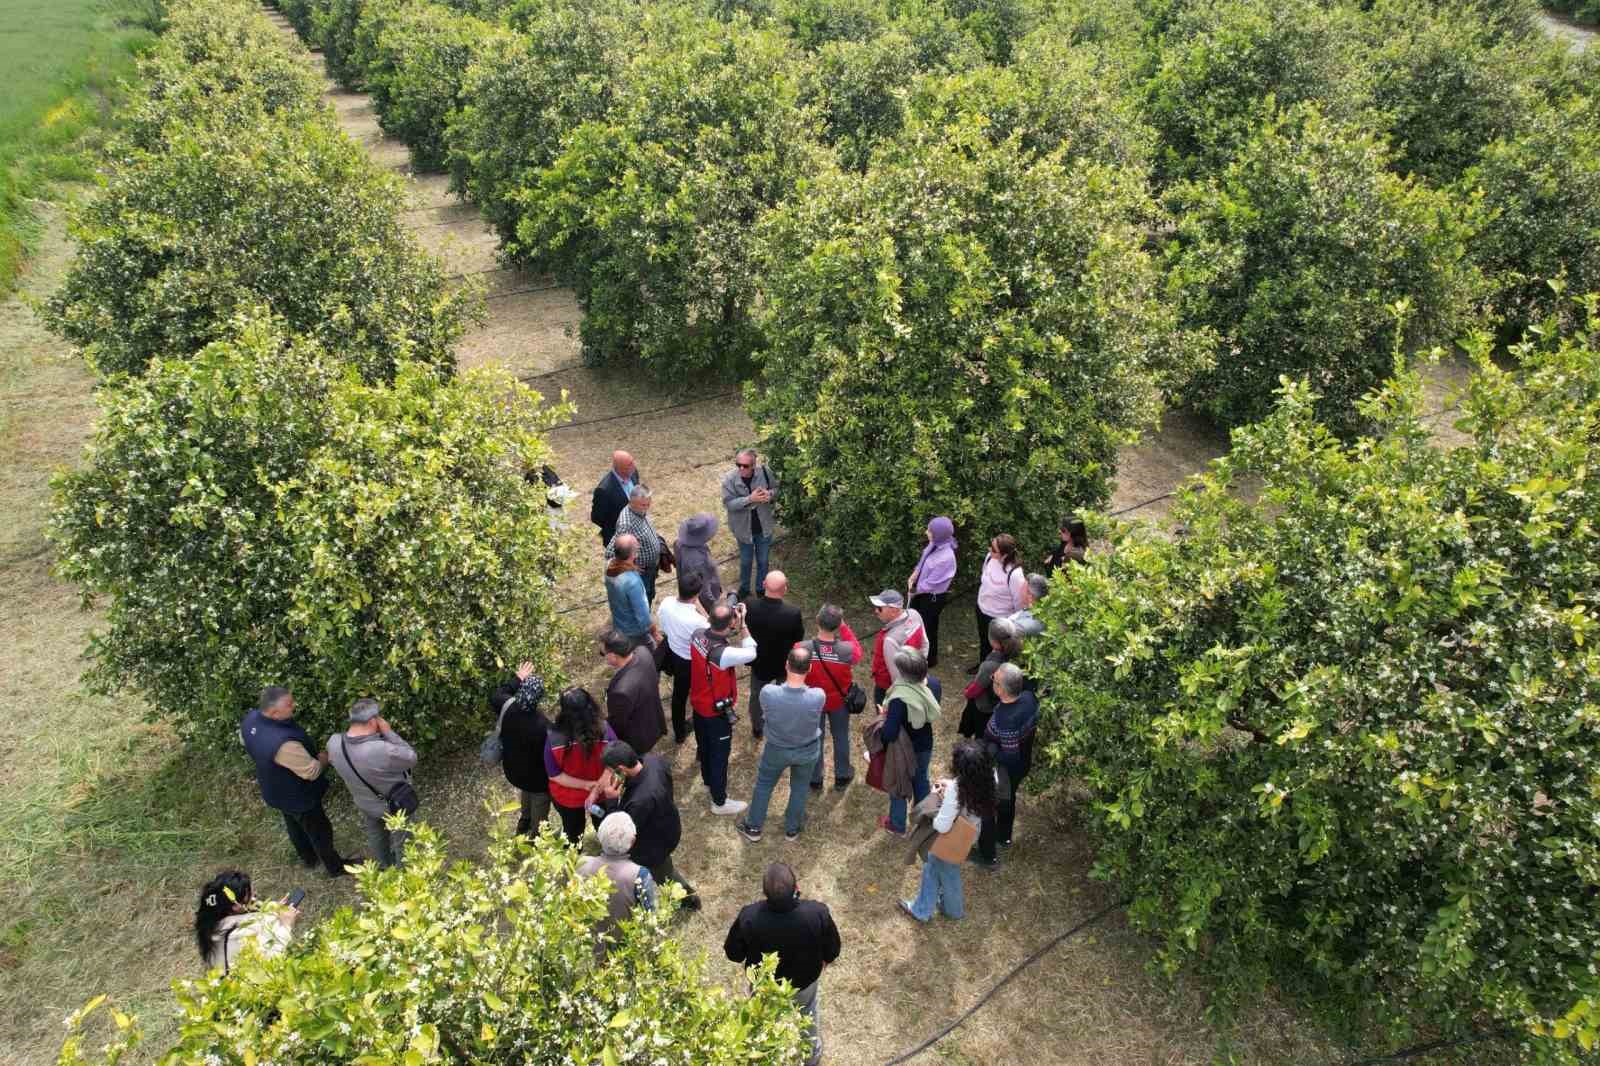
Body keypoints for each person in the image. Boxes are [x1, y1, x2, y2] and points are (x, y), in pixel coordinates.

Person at [724, 863, 840, 1066]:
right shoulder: (817, 913)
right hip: (805, 982)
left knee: (765, 1018)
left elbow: (733, 953)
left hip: (764, 985)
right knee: (808, 1013)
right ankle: (811, 1057)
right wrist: (824, 961)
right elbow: (833, 949)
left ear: (764, 893)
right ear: (796, 888)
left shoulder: (749, 917)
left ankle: (765, 1054)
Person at [240, 686, 360, 878]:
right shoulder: (282, 743)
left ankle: (309, 858)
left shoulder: (250, 720)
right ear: (274, 712)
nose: (294, 705)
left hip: (274, 789)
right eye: (289, 704)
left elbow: (247, 743)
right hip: (298, 795)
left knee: (293, 824)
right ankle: (335, 867)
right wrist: (323, 758)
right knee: (319, 830)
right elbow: (311, 772)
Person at [594, 740, 700, 910]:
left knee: (664, 875)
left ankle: (688, 901)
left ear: (621, 769)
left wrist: (612, 801)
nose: (610, 774)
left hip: (653, 846)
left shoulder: (639, 801)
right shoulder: (653, 761)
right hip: (667, 823)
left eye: (611, 770)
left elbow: (620, 831)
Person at [736, 645, 824, 843]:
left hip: (776, 749)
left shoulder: (768, 692)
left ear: (786, 665)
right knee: (800, 787)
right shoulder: (818, 695)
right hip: (807, 750)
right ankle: (792, 829)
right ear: (809, 669)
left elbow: (765, 712)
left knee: (764, 785)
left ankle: (753, 827)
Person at [899, 740, 995, 922]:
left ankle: (922, 910)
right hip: (970, 834)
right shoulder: (991, 778)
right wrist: (949, 785)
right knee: (948, 869)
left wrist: (939, 796)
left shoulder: (956, 790)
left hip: (950, 837)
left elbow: (942, 826)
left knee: (935, 866)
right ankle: (952, 910)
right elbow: (968, 791)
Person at [327, 697, 417, 869]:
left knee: (377, 835)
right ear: (372, 721)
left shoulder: (334, 742)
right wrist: (388, 732)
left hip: (364, 802)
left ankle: (385, 865)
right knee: (403, 841)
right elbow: (411, 757)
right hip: (394, 806)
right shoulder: (380, 749)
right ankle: (405, 874)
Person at [689, 602, 755, 816]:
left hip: (699, 704)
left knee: (705, 745)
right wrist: (743, 624)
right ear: (731, 624)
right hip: (715, 713)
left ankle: (708, 780)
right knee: (719, 755)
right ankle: (719, 802)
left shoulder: (697, 634)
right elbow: (751, 652)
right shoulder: (722, 654)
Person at [976, 663, 1039, 869]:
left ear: (1001, 689)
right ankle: (1004, 837)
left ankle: (992, 848)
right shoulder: (1029, 698)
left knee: (996, 804)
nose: (992, 680)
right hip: (1025, 760)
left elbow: (1009, 755)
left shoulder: (1006, 718)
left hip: (1007, 769)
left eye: (995, 679)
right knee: (1009, 800)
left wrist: (991, 750)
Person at [878, 647, 942, 836]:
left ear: (904, 673)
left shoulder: (899, 698)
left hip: (903, 749)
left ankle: (897, 825)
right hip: (925, 744)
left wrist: (884, 717)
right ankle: (923, 821)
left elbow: (889, 733)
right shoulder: (934, 684)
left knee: (898, 784)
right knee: (921, 779)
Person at [574, 812, 657, 958]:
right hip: (624, 943)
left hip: (590, 939)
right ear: (632, 841)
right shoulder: (639, 874)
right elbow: (650, 912)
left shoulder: (582, 863)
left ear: (600, 837)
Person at [545, 687, 618, 845]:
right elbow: (615, 759)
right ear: (590, 705)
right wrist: (597, 787)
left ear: (564, 711)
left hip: (568, 798)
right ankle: (609, 848)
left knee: (573, 833)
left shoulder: (554, 738)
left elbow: (555, 775)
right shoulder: (605, 730)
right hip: (602, 793)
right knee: (605, 826)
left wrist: (586, 785)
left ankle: (574, 860)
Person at [489, 662, 552, 837]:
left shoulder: (506, 706)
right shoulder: (543, 726)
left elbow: (498, 694)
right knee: (539, 803)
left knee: (526, 793)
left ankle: (523, 826)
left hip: (513, 771)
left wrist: (518, 678)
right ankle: (536, 837)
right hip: (538, 779)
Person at [803, 603, 861, 792]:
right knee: (841, 736)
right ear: (837, 625)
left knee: (814, 738)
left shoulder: (801, 648)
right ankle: (842, 775)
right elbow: (857, 651)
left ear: (817, 621)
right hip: (839, 702)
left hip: (812, 702)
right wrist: (844, 627)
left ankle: (815, 778)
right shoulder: (847, 650)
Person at [194, 870, 297, 974]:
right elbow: (272, 960)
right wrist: (286, 925)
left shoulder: (212, 920)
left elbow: (252, 912)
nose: (254, 896)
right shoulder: (239, 934)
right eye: (250, 897)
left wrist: (273, 909)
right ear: (235, 906)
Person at [742, 570, 804, 739]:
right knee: (784, 695)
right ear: (785, 589)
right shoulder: (793, 613)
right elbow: (798, 639)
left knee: (756, 696)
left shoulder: (750, 605)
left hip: (759, 662)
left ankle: (757, 727)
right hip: (783, 664)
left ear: (763, 585)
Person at [657, 571, 709, 744]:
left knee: (679, 695)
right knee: (698, 694)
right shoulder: (697, 621)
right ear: (696, 594)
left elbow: (663, 626)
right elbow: (709, 635)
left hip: (673, 652)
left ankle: (679, 732)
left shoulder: (666, 603)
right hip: (690, 661)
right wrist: (700, 608)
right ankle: (696, 722)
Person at [721, 448, 778, 602]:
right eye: (738, 464)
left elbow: (776, 489)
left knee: (763, 561)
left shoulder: (765, 472)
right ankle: (745, 588)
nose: (741, 468)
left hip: (763, 527)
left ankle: (761, 589)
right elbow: (728, 504)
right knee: (746, 561)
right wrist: (749, 499)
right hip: (743, 530)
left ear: (754, 465)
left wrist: (770, 495)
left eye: (745, 466)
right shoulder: (729, 479)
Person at [968, 533, 1029, 674]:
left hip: (999, 617)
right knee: (984, 640)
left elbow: (1019, 602)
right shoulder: (989, 558)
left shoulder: (1015, 573)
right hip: (982, 609)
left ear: (1005, 555)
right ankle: (983, 665)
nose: (990, 550)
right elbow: (984, 576)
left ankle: (997, 673)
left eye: (994, 549)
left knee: (999, 648)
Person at [600, 628, 665, 755]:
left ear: (613, 656)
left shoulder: (621, 692)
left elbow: (618, 723)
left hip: (638, 738)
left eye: (603, 653)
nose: (602, 656)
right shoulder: (643, 652)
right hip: (653, 720)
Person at [957, 617, 1024, 739]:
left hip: (984, 707)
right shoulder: (1015, 654)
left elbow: (975, 689)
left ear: (993, 641)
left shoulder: (989, 666)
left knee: (980, 733)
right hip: (1000, 702)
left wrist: (967, 692)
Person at [906, 516, 957, 668]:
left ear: (939, 534)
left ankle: (927, 658)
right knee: (918, 623)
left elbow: (931, 584)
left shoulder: (947, 558)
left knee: (927, 627)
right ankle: (917, 653)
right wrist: (914, 574)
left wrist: (914, 590)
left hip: (932, 598)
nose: (926, 532)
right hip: (922, 593)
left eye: (930, 530)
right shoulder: (934, 544)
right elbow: (923, 561)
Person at [606, 484, 670, 603]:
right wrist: (630, 567)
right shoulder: (626, 523)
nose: (647, 507)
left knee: (650, 594)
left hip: (650, 569)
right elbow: (611, 552)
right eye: (643, 505)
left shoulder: (639, 510)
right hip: (642, 573)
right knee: (643, 600)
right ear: (632, 502)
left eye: (648, 503)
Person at [867, 590, 926, 705]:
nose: (876, 611)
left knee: (884, 720)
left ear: (893, 611)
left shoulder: (890, 639)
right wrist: (920, 671)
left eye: (880, 608)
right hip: (914, 677)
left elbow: (896, 677)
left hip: (887, 687)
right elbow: (925, 644)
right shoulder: (915, 614)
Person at [604, 534, 658, 647]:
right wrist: (655, 633)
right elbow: (643, 617)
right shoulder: (632, 581)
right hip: (635, 632)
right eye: (637, 547)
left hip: (619, 623)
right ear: (633, 554)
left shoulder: (609, 565)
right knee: (651, 655)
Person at [590, 450, 639, 547]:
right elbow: (596, 518)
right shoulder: (604, 490)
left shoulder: (633, 472)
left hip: (636, 530)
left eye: (633, 461)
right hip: (618, 539)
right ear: (619, 469)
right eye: (630, 464)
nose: (634, 465)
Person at [674, 511, 724, 609]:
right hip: (705, 601)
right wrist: (716, 606)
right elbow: (704, 592)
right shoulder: (697, 561)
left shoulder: (679, 543)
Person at [1006, 573, 1050, 638]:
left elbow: (1003, 632)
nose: (1020, 590)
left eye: (1022, 588)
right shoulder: (1034, 609)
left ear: (1030, 596)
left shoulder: (1029, 625)